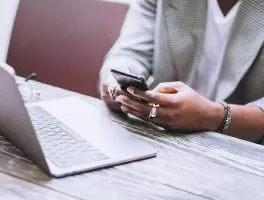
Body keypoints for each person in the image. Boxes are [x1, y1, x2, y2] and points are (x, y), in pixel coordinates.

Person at [98, 0, 264, 144]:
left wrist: (213, 116)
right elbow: (129, 53)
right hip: (163, 141)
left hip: (247, 154)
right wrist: (115, 83)